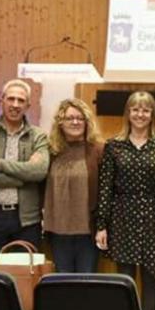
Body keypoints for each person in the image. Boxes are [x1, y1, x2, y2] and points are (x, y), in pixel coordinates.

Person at [95, 91, 155, 310]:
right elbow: (105, 188)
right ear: (128, 113)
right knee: (124, 280)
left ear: (152, 115)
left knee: (152, 280)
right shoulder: (114, 146)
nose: (140, 114)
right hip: (122, 216)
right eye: (135, 109)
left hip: (154, 218)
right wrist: (101, 225)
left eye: (146, 110)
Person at [0, 79, 49, 257]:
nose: (15, 105)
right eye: (11, 99)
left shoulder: (38, 136)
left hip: (27, 220)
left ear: (28, 105)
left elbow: (39, 172)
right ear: (1, 101)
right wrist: (24, 176)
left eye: (21, 100)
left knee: (25, 275)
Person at [43, 98, 104, 273]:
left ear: (87, 122)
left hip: (88, 232)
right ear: (60, 123)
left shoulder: (98, 150)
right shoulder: (50, 150)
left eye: (80, 118)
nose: (75, 122)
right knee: (62, 284)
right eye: (70, 118)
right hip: (58, 231)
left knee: (86, 283)